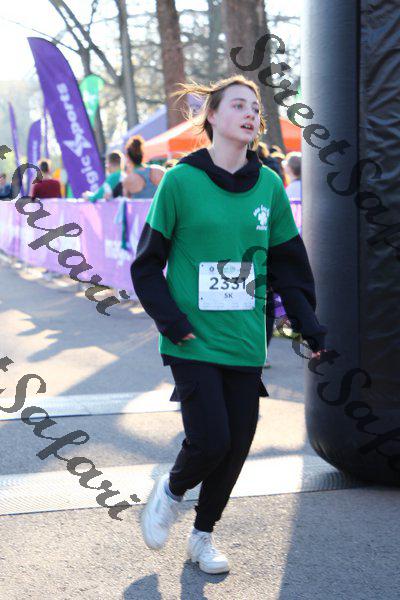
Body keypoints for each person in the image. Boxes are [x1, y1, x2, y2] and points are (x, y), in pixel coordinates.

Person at [131, 74, 327, 575]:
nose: (250, 114)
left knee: (237, 445)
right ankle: (170, 491)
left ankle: (202, 537)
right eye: (238, 105)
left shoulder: (269, 186)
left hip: (245, 339)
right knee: (211, 440)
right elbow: (146, 265)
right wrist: (172, 321)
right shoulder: (180, 181)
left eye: (255, 108)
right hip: (191, 338)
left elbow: (288, 266)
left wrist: (308, 325)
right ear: (213, 116)